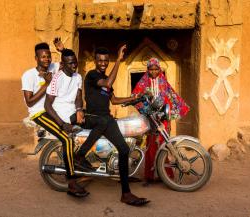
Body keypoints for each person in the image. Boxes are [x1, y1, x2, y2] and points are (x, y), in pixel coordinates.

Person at [76, 45, 150, 206]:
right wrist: (118, 60)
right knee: (104, 120)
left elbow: (114, 100)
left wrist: (133, 98)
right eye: (100, 60)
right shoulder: (92, 75)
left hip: (105, 119)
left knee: (124, 149)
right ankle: (80, 155)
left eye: (105, 60)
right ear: (95, 61)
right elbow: (108, 83)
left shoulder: (105, 79)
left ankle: (126, 193)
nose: (103, 63)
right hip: (92, 117)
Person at [22, 42, 88, 197]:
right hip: (40, 113)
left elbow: (68, 62)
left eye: (49, 56)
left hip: (56, 110)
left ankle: (83, 163)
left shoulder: (53, 68)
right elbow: (29, 102)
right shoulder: (28, 75)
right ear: (36, 58)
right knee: (66, 139)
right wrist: (46, 84)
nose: (47, 59)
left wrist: (62, 49)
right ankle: (71, 182)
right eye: (43, 57)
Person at [132, 57, 189, 185]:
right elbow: (135, 96)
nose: (153, 71)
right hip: (150, 119)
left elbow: (171, 97)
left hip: (163, 119)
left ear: (159, 69)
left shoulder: (164, 83)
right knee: (150, 147)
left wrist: (169, 113)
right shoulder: (143, 82)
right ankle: (149, 177)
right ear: (147, 70)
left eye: (156, 69)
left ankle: (166, 175)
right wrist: (144, 108)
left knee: (164, 146)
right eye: (151, 69)